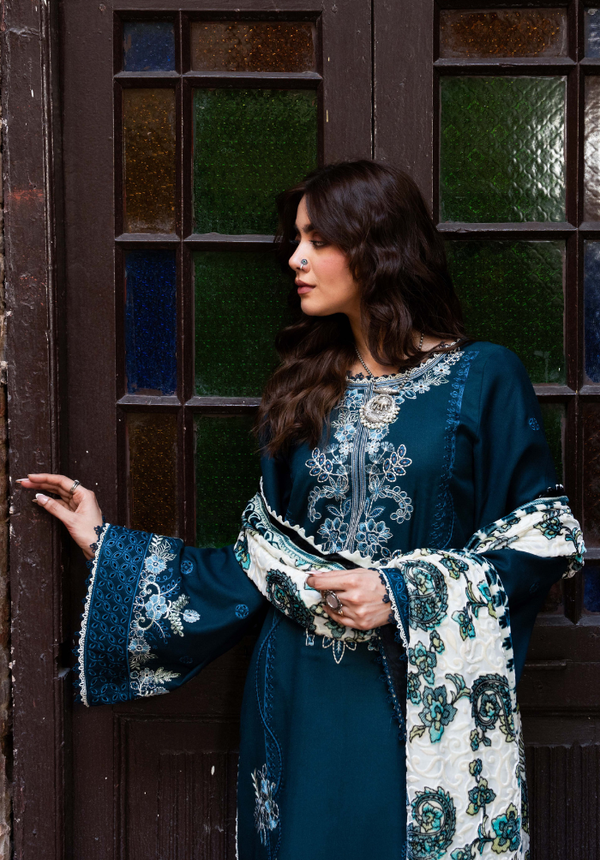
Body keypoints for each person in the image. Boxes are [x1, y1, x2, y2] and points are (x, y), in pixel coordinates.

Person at [18, 161, 583, 860]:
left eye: (318, 239)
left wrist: (402, 593)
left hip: (417, 693)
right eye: (296, 239)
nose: (295, 258)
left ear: (378, 249)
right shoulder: (303, 388)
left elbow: (541, 539)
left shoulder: (484, 376)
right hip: (297, 684)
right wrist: (102, 541)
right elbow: (261, 563)